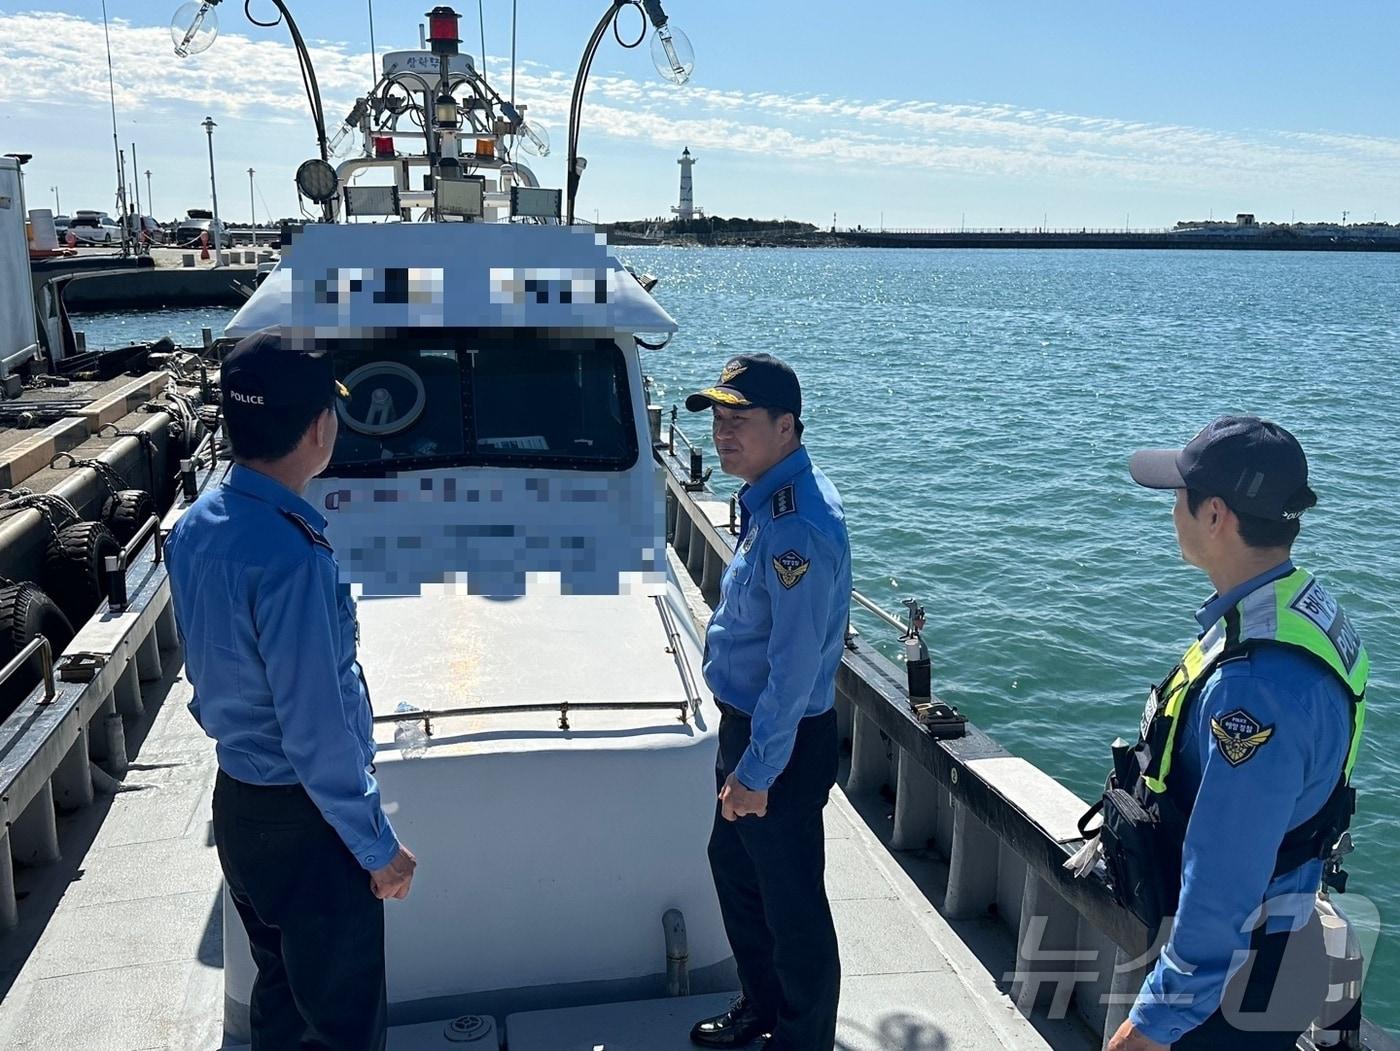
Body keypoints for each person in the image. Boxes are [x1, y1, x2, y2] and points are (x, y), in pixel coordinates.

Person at [166, 328, 417, 1051]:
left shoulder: (196, 527)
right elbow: (315, 729)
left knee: (280, 995)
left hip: (240, 805)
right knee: (341, 1022)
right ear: (318, 427)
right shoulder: (292, 554)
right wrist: (377, 846)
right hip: (307, 824)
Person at [1103, 415, 1367, 1051]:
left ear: (1215, 515)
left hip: (1231, 985)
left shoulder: (1255, 688)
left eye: (1180, 495)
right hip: (1270, 943)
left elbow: (1225, 879)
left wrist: (1152, 1026)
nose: (1173, 508)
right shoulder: (1296, 606)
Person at [683, 354, 852, 1051]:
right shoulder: (767, 499)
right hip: (751, 729)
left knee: (792, 905)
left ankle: (802, 1038)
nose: (724, 434)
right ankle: (764, 1003)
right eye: (718, 420)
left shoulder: (795, 527)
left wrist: (756, 773)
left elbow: (793, 670)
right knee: (737, 867)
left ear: (787, 426)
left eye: (740, 420)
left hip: (779, 738)